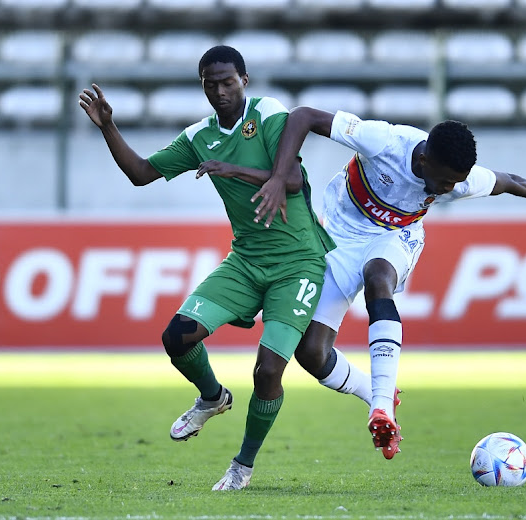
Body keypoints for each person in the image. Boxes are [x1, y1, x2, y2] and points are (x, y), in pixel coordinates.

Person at [253, 107, 526, 460]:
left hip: (395, 237)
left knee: (378, 279)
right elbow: (304, 116)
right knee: (311, 354)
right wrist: (281, 174)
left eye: (456, 182)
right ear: (426, 158)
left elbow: (510, 181)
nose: (451, 189)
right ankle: (376, 394)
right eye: (445, 181)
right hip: (337, 239)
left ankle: (381, 407)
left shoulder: (458, 179)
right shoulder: (383, 141)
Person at [78, 46, 335, 491]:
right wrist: (109, 127)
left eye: (227, 82)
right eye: (209, 84)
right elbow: (141, 173)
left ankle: (242, 466)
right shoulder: (199, 136)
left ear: (245, 81)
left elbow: (291, 179)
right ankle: (213, 397)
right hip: (247, 259)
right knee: (176, 336)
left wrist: (230, 169)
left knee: (268, 371)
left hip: (298, 262)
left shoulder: (270, 114)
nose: (219, 91)